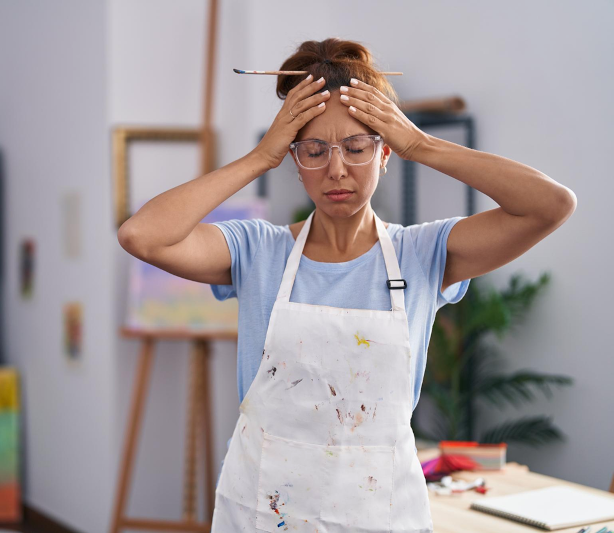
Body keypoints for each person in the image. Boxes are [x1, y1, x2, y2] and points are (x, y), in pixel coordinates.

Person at [117, 38, 576, 533]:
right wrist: (259, 157)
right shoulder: (256, 252)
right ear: (295, 160)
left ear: (384, 154)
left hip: (378, 514)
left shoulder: (424, 255)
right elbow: (141, 235)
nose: (336, 169)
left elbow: (551, 205)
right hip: (264, 510)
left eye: (356, 147)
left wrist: (420, 144)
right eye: (313, 151)